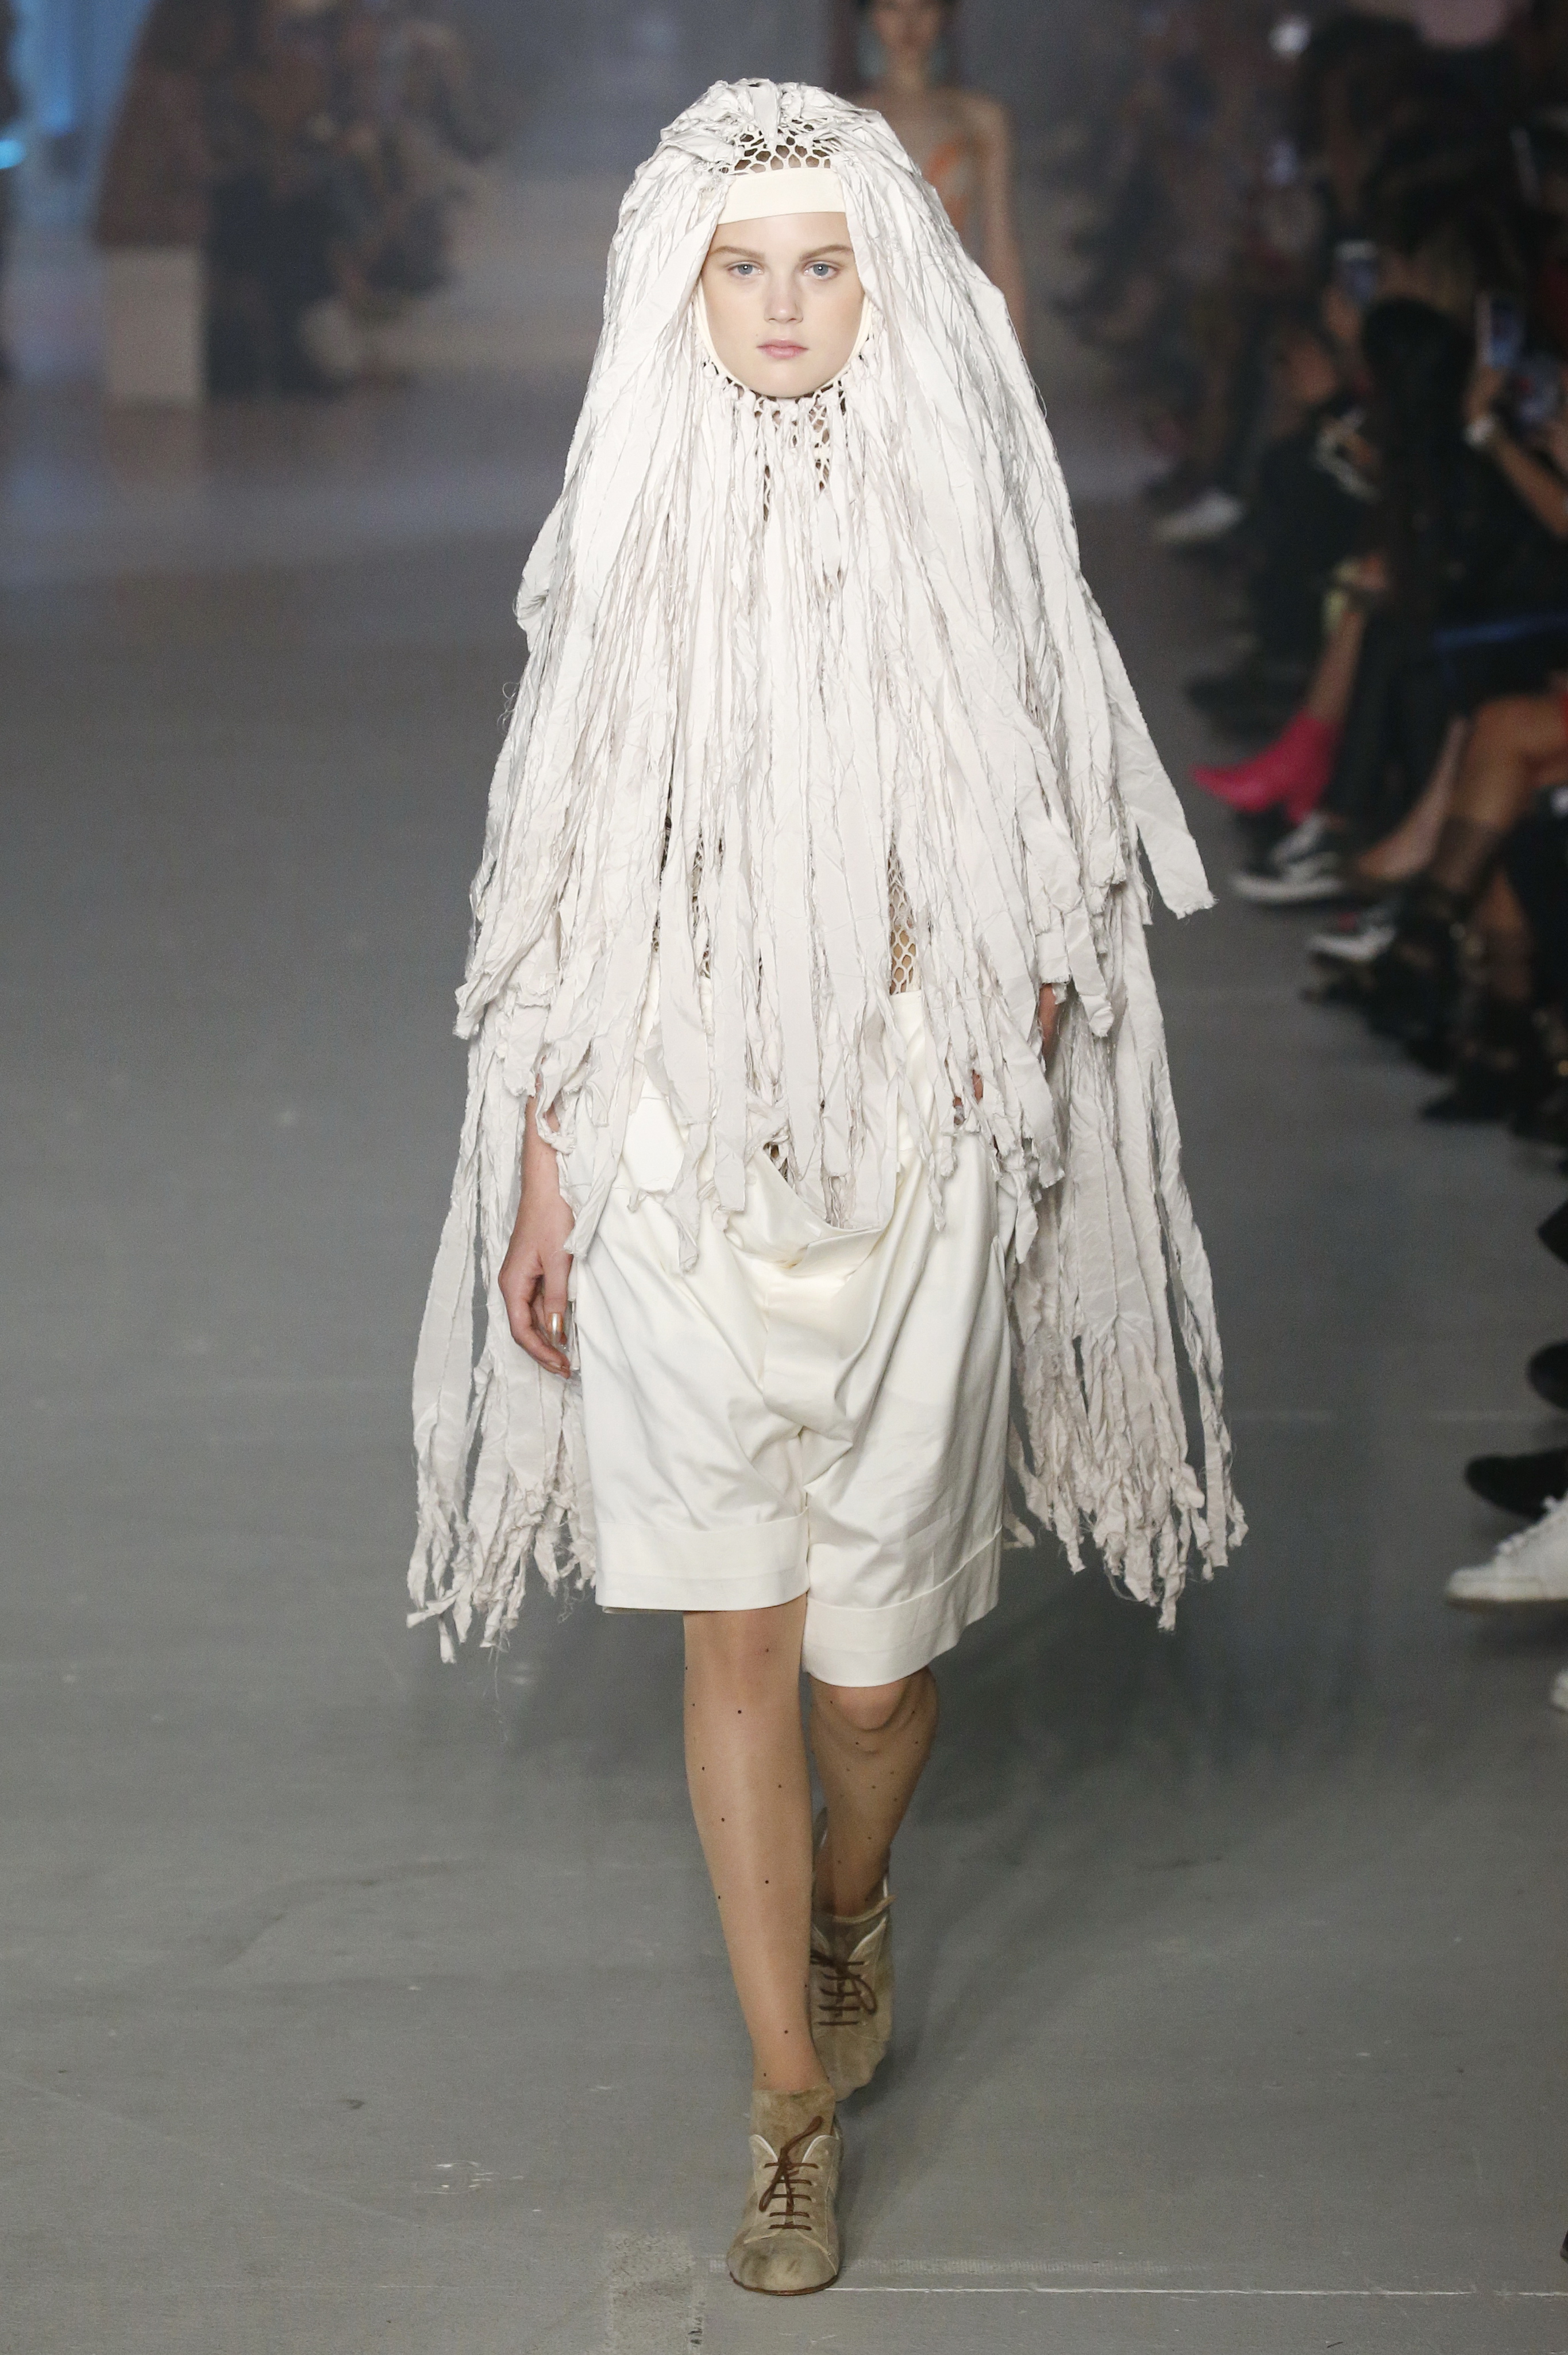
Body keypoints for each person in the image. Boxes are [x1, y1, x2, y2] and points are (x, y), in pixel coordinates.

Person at [409, 79, 1240, 2298]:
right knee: (739, 1628)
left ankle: (852, 1900)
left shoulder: (971, 531)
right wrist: (548, 1165)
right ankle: (786, 2103)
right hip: (671, 1126)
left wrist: (1005, 1039)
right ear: (680, 288)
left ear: (890, 280)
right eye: (740, 268)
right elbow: (557, 879)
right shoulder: (628, 532)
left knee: (871, 1678)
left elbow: (1065, 851)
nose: (780, 307)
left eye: (823, 265)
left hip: (908, 1133)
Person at [855, 0, 1028, 342]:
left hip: (954, 325)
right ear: (870, 15)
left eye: (924, 7)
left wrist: (1016, 362)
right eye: (891, 8)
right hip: (868, 327)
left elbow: (999, 243)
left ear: (944, 14)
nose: (909, 24)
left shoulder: (980, 120)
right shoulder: (842, 120)